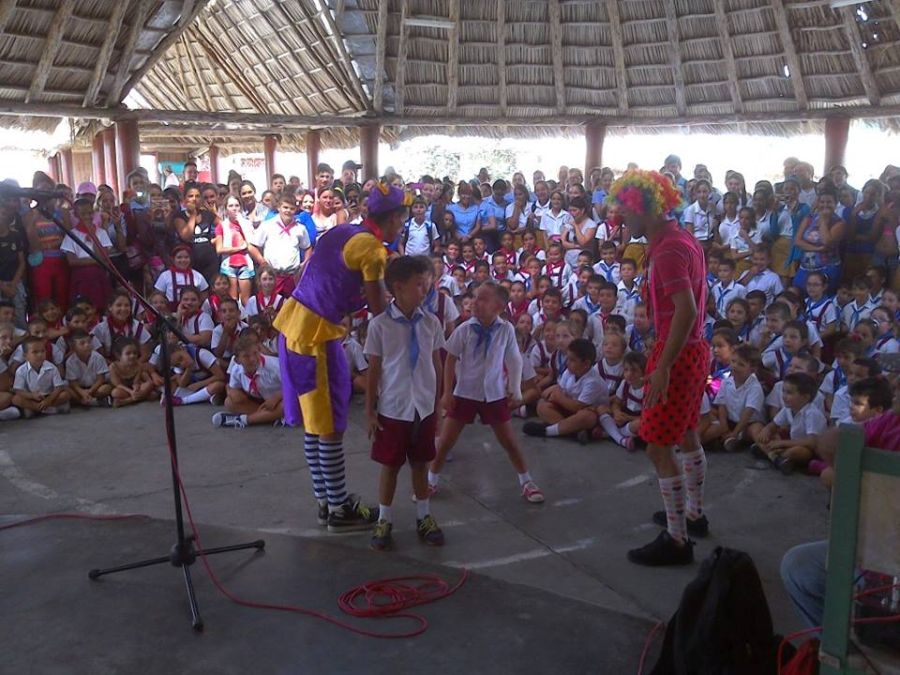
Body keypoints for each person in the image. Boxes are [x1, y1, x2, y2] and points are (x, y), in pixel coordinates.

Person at [275, 182, 412, 532]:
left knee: (314, 423)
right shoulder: (372, 249)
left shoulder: (342, 230)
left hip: (295, 326)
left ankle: (326, 499)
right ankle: (338, 509)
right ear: (394, 218)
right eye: (402, 217)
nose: (403, 224)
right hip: (316, 337)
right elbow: (378, 306)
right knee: (332, 426)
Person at [606, 169, 709, 566]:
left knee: (657, 447)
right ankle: (693, 515)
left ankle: (678, 539)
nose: (619, 220)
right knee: (686, 432)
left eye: (624, 211)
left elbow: (685, 308)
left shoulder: (666, 249)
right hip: (693, 348)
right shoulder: (683, 239)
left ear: (643, 208)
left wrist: (663, 364)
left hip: (678, 353)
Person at [428, 283, 544, 503]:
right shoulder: (465, 329)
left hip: (494, 394)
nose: (474, 302)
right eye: (474, 298)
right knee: (445, 443)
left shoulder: (506, 329)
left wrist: (515, 390)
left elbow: (514, 359)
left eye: (482, 299)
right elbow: (451, 357)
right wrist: (447, 392)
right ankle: (431, 480)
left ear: (499, 306)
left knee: (509, 442)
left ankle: (526, 481)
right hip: (465, 393)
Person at [364, 255, 446, 550]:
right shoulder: (380, 326)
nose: (425, 291)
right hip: (393, 408)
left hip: (423, 406)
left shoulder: (431, 323)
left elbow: (436, 364)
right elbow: (374, 370)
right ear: (398, 288)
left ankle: (424, 516)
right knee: (390, 466)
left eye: (427, 285)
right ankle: (384, 519)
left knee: (421, 463)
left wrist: (438, 403)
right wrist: (370, 411)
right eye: (420, 286)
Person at [212, 334, 284, 429]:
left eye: (255, 353)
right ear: (237, 360)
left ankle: (244, 420)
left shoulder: (275, 366)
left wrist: (276, 397)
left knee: (285, 406)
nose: (252, 359)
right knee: (229, 402)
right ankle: (269, 417)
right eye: (246, 356)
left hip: (280, 399)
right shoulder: (237, 370)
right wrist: (233, 393)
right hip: (260, 403)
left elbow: (294, 386)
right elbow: (232, 388)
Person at [250, 195, 312, 297]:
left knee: (291, 307)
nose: (288, 211)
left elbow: (307, 247)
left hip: (291, 276)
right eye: (285, 207)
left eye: (292, 208)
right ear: (279, 207)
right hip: (272, 276)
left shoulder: (300, 228)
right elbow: (252, 246)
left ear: (296, 210)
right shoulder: (267, 225)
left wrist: (304, 264)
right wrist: (262, 262)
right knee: (271, 306)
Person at [12, 336, 71, 416]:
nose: (40, 354)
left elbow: (58, 387)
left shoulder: (52, 368)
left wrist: (48, 401)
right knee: (16, 399)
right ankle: (41, 408)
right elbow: (18, 390)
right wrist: (32, 395)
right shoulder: (20, 371)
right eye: (35, 352)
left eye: (43, 351)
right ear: (26, 356)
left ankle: (38, 409)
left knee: (65, 394)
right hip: (32, 397)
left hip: (49, 396)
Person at [215, 195, 255, 304]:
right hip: (228, 264)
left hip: (245, 263)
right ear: (226, 208)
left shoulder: (247, 223)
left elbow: (251, 242)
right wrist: (238, 248)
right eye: (231, 206)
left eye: (237, 205)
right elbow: (219, 249)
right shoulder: (222, 226)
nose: (234, 208)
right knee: (232, 298)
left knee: (246, 300)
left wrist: (242, 223)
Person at [109, 337, 155, 408]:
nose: (132, 356)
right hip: (124, 390)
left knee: (149, 384)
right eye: (128, 353)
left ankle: (126, 401)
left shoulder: (138, 365)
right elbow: (118, 384)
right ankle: (144, 397)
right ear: (119, 356)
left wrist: (135, 389)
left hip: (135, 388)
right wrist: (131, 392)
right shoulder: (113, 367)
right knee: (115, 393)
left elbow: (136, 381)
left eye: (135, 353)